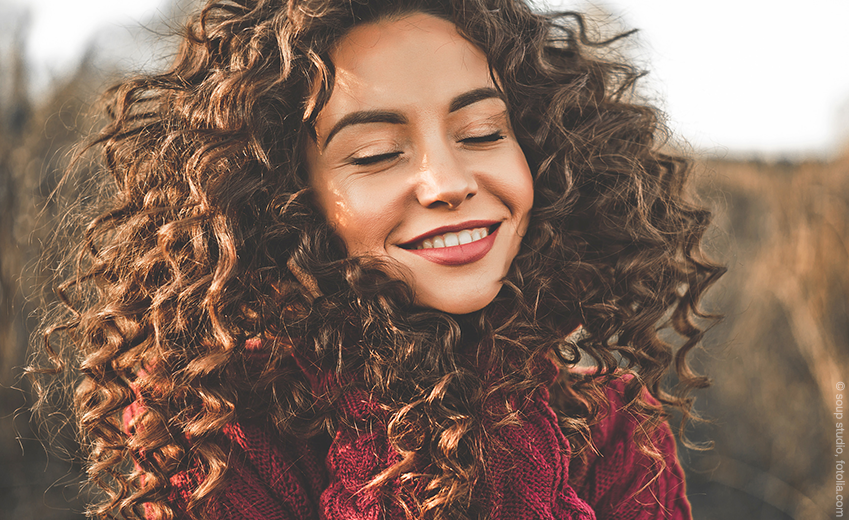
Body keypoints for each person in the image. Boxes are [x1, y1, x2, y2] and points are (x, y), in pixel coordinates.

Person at [31, 0, 724, 518]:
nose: (449, 182)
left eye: (482, 132)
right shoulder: (213, 426)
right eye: (375, 154)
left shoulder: (616, 425)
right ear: (283, 198)